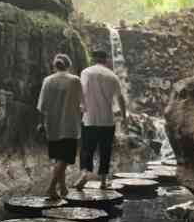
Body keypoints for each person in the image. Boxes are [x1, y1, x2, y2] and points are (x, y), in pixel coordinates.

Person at [75, 49, 127, 189]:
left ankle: (85, 173)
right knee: (105, 150)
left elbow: (81, 93)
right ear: (106, 60)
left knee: (87, 148)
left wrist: (81, 108)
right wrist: (124, 118)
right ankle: (103, 181)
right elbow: (121, 99)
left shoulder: (86, 72)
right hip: (107, 120)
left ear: (93, 59)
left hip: (90, 118)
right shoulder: (112, 76)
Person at [36, 53, 84, 199]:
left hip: (52, 125)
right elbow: (82, 104)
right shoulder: (75, 80)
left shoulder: (47, 80)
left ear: (54, 66)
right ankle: (51, 188)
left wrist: (40, 123)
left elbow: (41, 106)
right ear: (69, 65)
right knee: (64, 159)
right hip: (69, 125)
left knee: (59, 158)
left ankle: (63, 188)